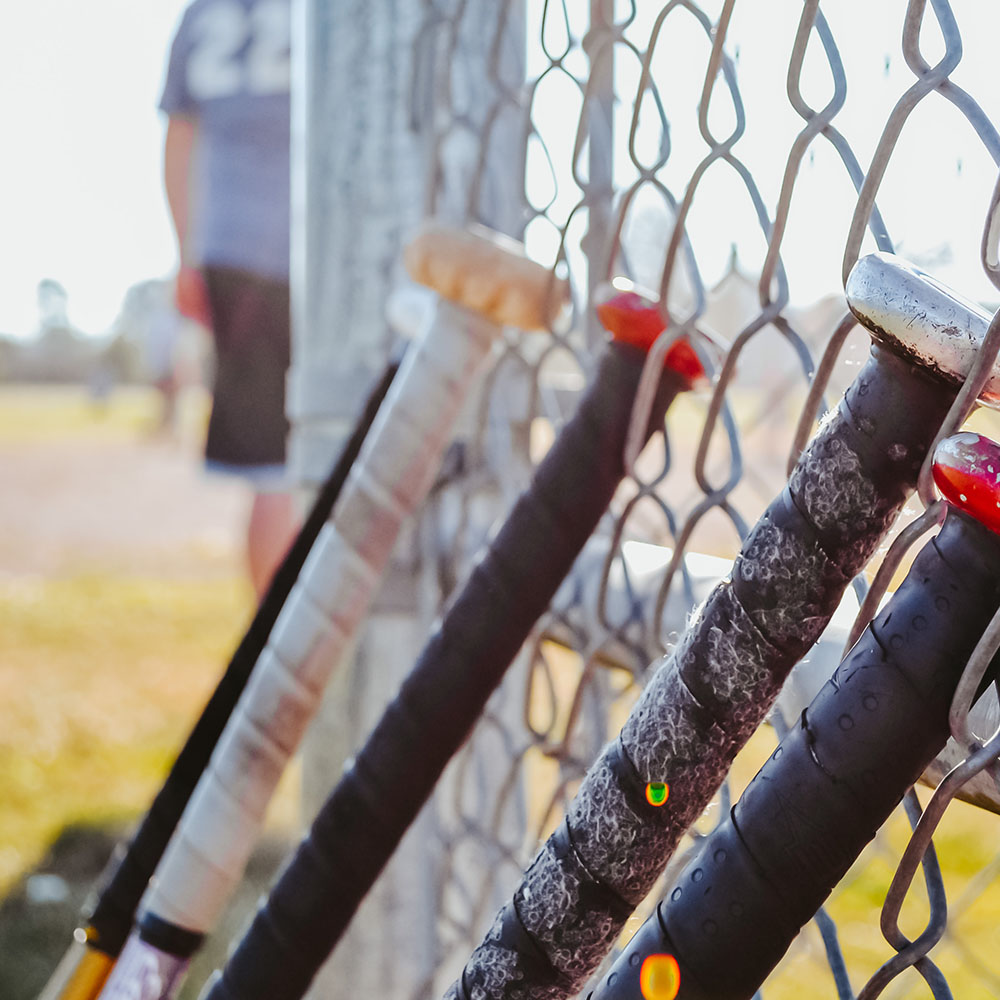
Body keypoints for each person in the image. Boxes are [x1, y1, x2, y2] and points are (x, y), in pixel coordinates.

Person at [159, 0, 297, 598]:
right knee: (297, 466)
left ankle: (278, 651)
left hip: (232, 248)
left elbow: (179, 139)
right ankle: (291, 649)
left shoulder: (203, 12)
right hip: (319, 244)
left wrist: (189, 251)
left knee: (274, 471)